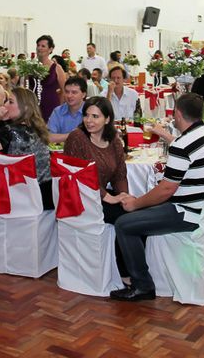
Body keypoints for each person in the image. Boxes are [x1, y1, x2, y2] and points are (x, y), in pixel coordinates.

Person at [110, 93, 204, 301]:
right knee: (139, 212)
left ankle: (141, 285)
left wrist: (135, 204)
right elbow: (186, 152)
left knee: (124, 224)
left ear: (177, 114)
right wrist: (167, 137)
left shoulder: (183, 145)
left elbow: (166, 191)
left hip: (187, 212)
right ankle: (136, 274)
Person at [63, 96, 130, 277]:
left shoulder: (114, 139)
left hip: (98, 195)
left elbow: (119, 174)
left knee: (135, 215)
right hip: (80, 197)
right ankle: (125, 273)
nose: (89, 121)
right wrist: (109, 197)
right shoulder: (77, 137)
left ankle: (132, 270)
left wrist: (124, 195)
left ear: (107, 119)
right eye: (86, 115)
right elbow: (79, 176)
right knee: (126, 221)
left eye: (95, 116)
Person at [0, 87, 54, 210]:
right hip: (47, 193)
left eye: (10, 102)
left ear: (25, 108)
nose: (5, 105)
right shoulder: (39, 128)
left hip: (25, 197)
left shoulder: (10, 131)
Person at [29, 35, 66, 122]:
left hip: (51, 105)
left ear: (50, 49)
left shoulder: (57, 68)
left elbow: (63, 90)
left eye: (43, 46)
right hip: (33, 106)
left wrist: (59, 109)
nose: (39, 48)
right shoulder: (30, 67)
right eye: (38, 45)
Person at [47, 76, 87, 143]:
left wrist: (61, 137)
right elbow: (49, 137)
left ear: (83, 94)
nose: (69, 96)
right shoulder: (58, 111)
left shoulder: (90, 112)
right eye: (67, 92)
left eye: (74, 92)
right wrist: (74, 135)